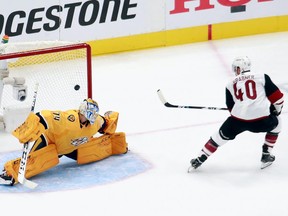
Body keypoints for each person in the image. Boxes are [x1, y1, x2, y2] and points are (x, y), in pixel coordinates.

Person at [0, 98, 128, 185]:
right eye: (86, 115)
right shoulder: (69, 120)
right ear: (81, 111)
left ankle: (117, 145)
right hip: (50, 140)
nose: (87, 119)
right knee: (37, 162)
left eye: (91, 117)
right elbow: (46, 116)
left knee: (93, 151)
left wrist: (110, 123)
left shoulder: (95, 122)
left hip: (71, 145)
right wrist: (31, 126)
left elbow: (107, 123)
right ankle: (10, 174)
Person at [189, 56, 284, 171]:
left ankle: (199, 159)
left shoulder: (230, 84)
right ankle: (266, 154)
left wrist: (241, 110)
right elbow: (278, 99)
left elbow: (231, 107)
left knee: (219, 136)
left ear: (240, 68)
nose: (235, 71)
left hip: (238, 121)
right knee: (278, 123)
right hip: (262, 120)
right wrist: (276, 110)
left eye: (236, 68)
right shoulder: (262, 77)